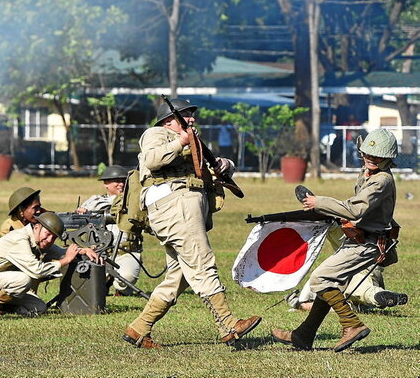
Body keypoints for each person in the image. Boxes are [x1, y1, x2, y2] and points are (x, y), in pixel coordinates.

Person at [122, 99, 261, 348]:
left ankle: (139, 328)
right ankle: (228, 324)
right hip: (175, 205)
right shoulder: (156, 133)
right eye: (185, 115)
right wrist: (181, 141)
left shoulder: (189, 141)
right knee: (201, 261)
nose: (192, 119)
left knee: (179, 275)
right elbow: (152, 160)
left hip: (181, 206)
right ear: (168, 120)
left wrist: (224, 164)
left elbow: (203, 167)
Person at [272, 128, 400, 352]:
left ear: (388, 158)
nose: (369, 158)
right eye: (366, 154)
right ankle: (303, 335)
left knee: (321, 279)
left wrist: (319, 202)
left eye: (376, 156)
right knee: (330, 282)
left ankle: (352, 325)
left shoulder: (381, 181)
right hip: (359, 240)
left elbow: (355, 209)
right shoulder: (369, 175)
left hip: (367, 244)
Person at [0, 212, 101, 316]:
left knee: (39, 308)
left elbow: (61, 252)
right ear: (37, 226)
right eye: (47, 233)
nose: (49, 239)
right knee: (22, 279)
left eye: (54, 237)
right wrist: (65, 261)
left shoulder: (37, 239)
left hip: (0, 283)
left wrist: (83, 250)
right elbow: (36, 271)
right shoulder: (19, 239)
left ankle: (1, 306)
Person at [287, 224, 407, 312]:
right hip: (367, 263)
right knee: (362, 291)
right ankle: (383, 295)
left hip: (357, 268)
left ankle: (380, 295)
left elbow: (326, 305)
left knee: (361, 291)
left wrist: (299, 305)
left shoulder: (321, 286)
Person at [76, 165, 142, 296]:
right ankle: (104, 283)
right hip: (100, 252)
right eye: (116, 181)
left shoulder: (134, 202)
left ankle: (121, 290)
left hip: (127, 251)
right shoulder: (95, 202)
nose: (121, 184)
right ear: (106, 183)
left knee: (126, 278)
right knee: (92, 283)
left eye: (124, 181)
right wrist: (83, 213)